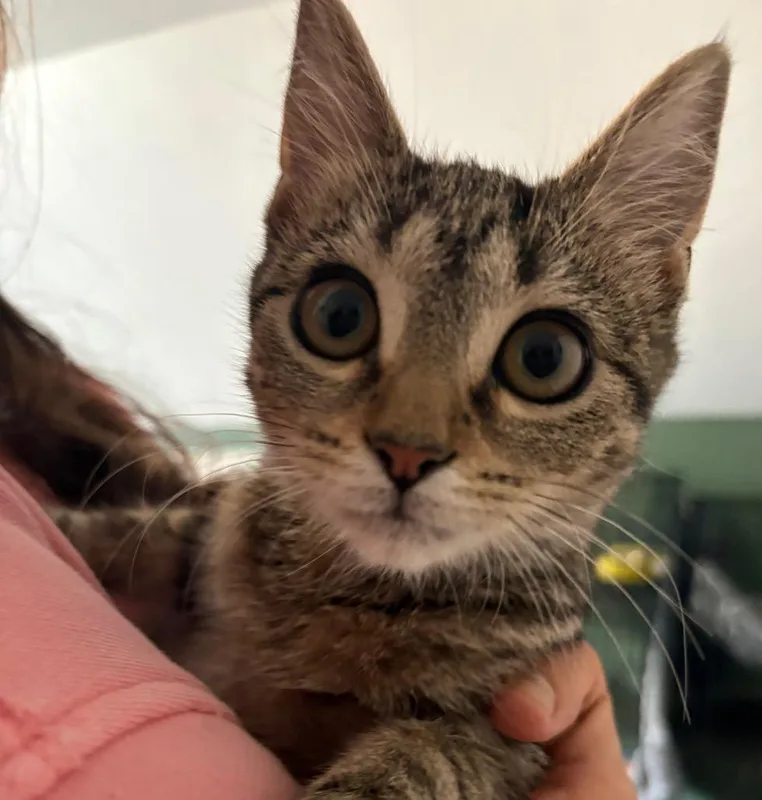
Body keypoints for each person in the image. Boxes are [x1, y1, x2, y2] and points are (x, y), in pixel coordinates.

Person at [0, 8, 634, 800]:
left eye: (541, 361)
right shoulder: (253, 513)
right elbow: (184, 540)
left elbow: (491, 744)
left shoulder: (53, 387)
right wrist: (60, 541)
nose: (411, 439)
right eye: (344, 319)